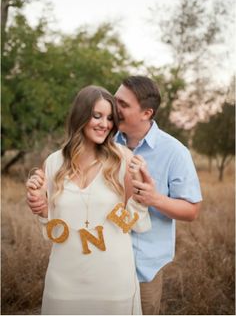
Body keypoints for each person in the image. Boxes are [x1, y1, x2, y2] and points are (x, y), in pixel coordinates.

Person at [27, 76, 202, 315]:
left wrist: (151, 198)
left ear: (146, 113)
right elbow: (56, 224)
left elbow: (189, 211)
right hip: (71, 274)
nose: (112, 116)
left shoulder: (164, 153)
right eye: (105, 111)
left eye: (120, 107)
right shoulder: (64, 158)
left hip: (136, 268)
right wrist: (42, 206)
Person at [26, 85, 152, 315]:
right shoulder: (54, 163)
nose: (105, 124)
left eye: (110, 118)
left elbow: (129, 223)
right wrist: (41, 208)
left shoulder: (122, 159)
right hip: (63, 281)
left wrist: (142, 193)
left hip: (112, 281)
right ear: (80, 115)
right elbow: (54, 229)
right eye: (97, 116)